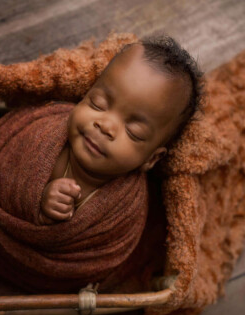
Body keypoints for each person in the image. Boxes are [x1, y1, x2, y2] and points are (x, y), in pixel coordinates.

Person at [38, 36, 204, 224]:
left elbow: (105, 248)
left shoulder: (126, 209)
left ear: (151, 159)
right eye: (97, 104)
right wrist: (36, 200)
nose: (106, 126)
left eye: (134, 132)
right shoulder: (43, 132)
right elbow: (10, 167)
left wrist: (48, 221)